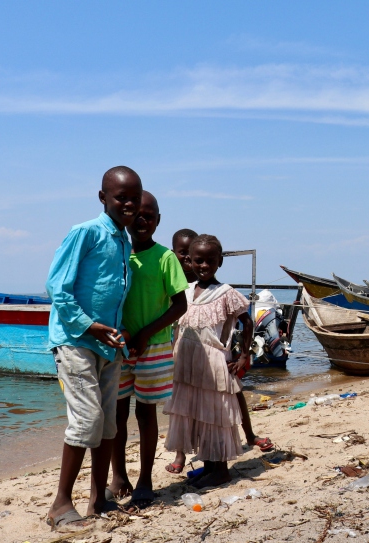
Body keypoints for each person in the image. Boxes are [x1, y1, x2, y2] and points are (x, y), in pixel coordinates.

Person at [44, 166, 142, 530]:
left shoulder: (124, 240)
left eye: (134, 197)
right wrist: (91, 326)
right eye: (121, 197)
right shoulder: (85, 232)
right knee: (86, 422)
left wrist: (114, 332)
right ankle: (59, 505)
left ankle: (98, 499)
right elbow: (58, 287)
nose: (129, 204)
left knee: (109, 426)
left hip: (108, 345)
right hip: (76, 340)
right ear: (103, 198)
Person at [104, 192, 189, 508]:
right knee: (117, 412)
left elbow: (179, 304)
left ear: (158, 220)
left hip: (153, 346)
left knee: (145, 412)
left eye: (149, 215)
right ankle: (119, 478)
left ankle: (145, 479)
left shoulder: (165, 258)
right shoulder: (118, 254)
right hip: (121, 345)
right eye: (136, 214)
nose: (142, 220)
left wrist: (145, 334)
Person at [167, 230, 273, 475]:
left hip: (214, 361)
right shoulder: (186, 290)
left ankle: (219, 471)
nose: (203, 266)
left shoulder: (226, 292)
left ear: (219, 261)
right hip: (186, 361)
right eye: (198, 260)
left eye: (210, 261)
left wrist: (244, 354)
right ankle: (208, 468)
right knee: (193, 412)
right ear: (189, 261)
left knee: (214, 415)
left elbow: (247, 322)